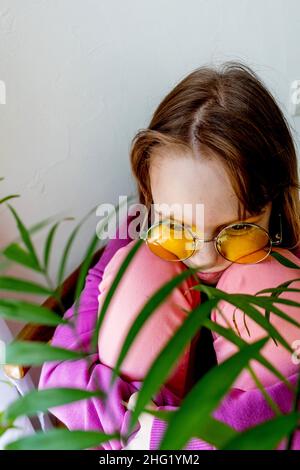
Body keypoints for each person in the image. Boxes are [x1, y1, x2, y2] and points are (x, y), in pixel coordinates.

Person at [39, 61, 300, 450]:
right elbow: (60, 373)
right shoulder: (134, 237)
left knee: (269, 279)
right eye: (178, 227)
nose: (206, 257)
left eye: (238, 229)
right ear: (150, 196)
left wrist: (174, 438)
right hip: (139, 438)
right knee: (140, 271)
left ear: (276, 206)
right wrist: (135, 431)